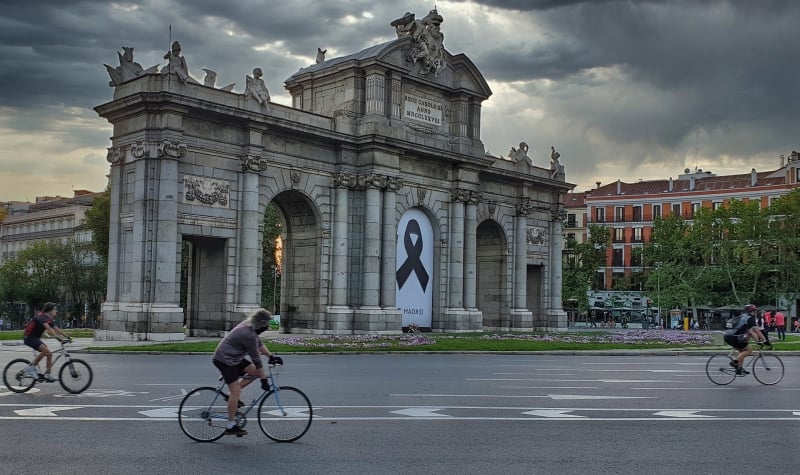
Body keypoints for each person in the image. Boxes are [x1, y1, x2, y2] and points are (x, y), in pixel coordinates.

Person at [212, 309, 280, 437]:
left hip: (234, 357)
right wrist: (264, 380)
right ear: (261, 323)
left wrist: (271, 356)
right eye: (266, 325)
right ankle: (231, 426)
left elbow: (259, 343)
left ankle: (230, 397)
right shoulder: (247, 334)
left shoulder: (250, 326)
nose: (267, 327)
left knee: (255, 373)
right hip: (225, 360)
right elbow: (256, 359)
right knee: (236, 391)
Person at [22, 302, 72, 381]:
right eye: (55, 309)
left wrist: (66, 336)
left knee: (49, 353)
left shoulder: (48, 318)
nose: (56, 311)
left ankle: (48, 374)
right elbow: (48, 328)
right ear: (49, 310)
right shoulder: (41, 316)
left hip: (35, 338)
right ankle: (31, 368)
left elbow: (56, 328)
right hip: (29, 338)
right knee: (45, 351)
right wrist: (58, 338)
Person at [723, 304, 767, 375]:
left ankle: (739, 369)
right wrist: (764, 339)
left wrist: (758, 341)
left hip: (728, 336)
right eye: (754, 311)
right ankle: (734, 363)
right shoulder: (749, 318)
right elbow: (757, 330)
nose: (755, 312)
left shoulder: (743, 316)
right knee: (749, 350)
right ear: (751, 311)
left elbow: (751, 332)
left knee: (742, 351)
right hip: (735, 337)